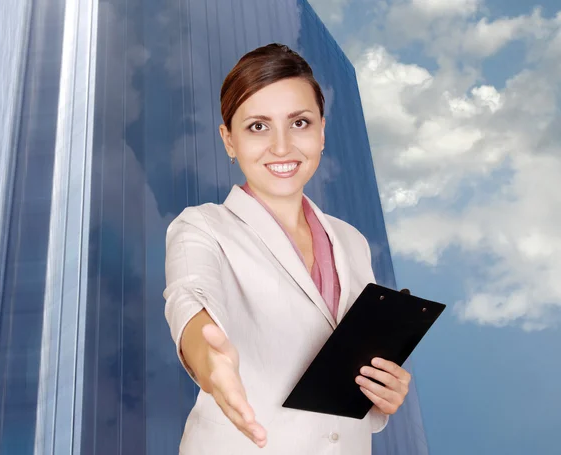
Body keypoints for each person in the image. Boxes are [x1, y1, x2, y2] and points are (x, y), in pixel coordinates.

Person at [163, 43, 411, 454]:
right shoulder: (202, 226)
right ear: (228, 140)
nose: (281, 147)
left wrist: (384, 387)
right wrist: (213, 365)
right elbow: (190, 297)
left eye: (299, 122)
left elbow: (350, 363)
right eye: (258, 126)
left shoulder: (350, 240)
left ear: (322, 131)